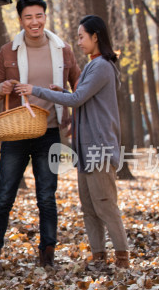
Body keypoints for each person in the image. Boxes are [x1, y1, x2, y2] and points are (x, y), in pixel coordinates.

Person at [15, 15, 129, 269]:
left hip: (99, 147)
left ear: (95, 36)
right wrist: (61, 93)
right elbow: (80, 96)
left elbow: (77, 99)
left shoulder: (101, 66)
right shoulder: (92, 65)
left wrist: (36, 90)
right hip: (86, 148)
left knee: (105, 206)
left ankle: (122, 259)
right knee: (89, 208)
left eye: (81, 36)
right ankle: (99, 258)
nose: (78, 42)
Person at [0, 0, 81, 272]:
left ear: (45, 17)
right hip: (15, 134)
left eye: (39, 16)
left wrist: (66, 100)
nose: (34, 22)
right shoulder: (8, 51)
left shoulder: (63, 50)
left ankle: (47, 256)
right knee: (4, 195)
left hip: (49, 132)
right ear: (21, 20)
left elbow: (80, 87)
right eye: (28, 17)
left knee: (47, 196)